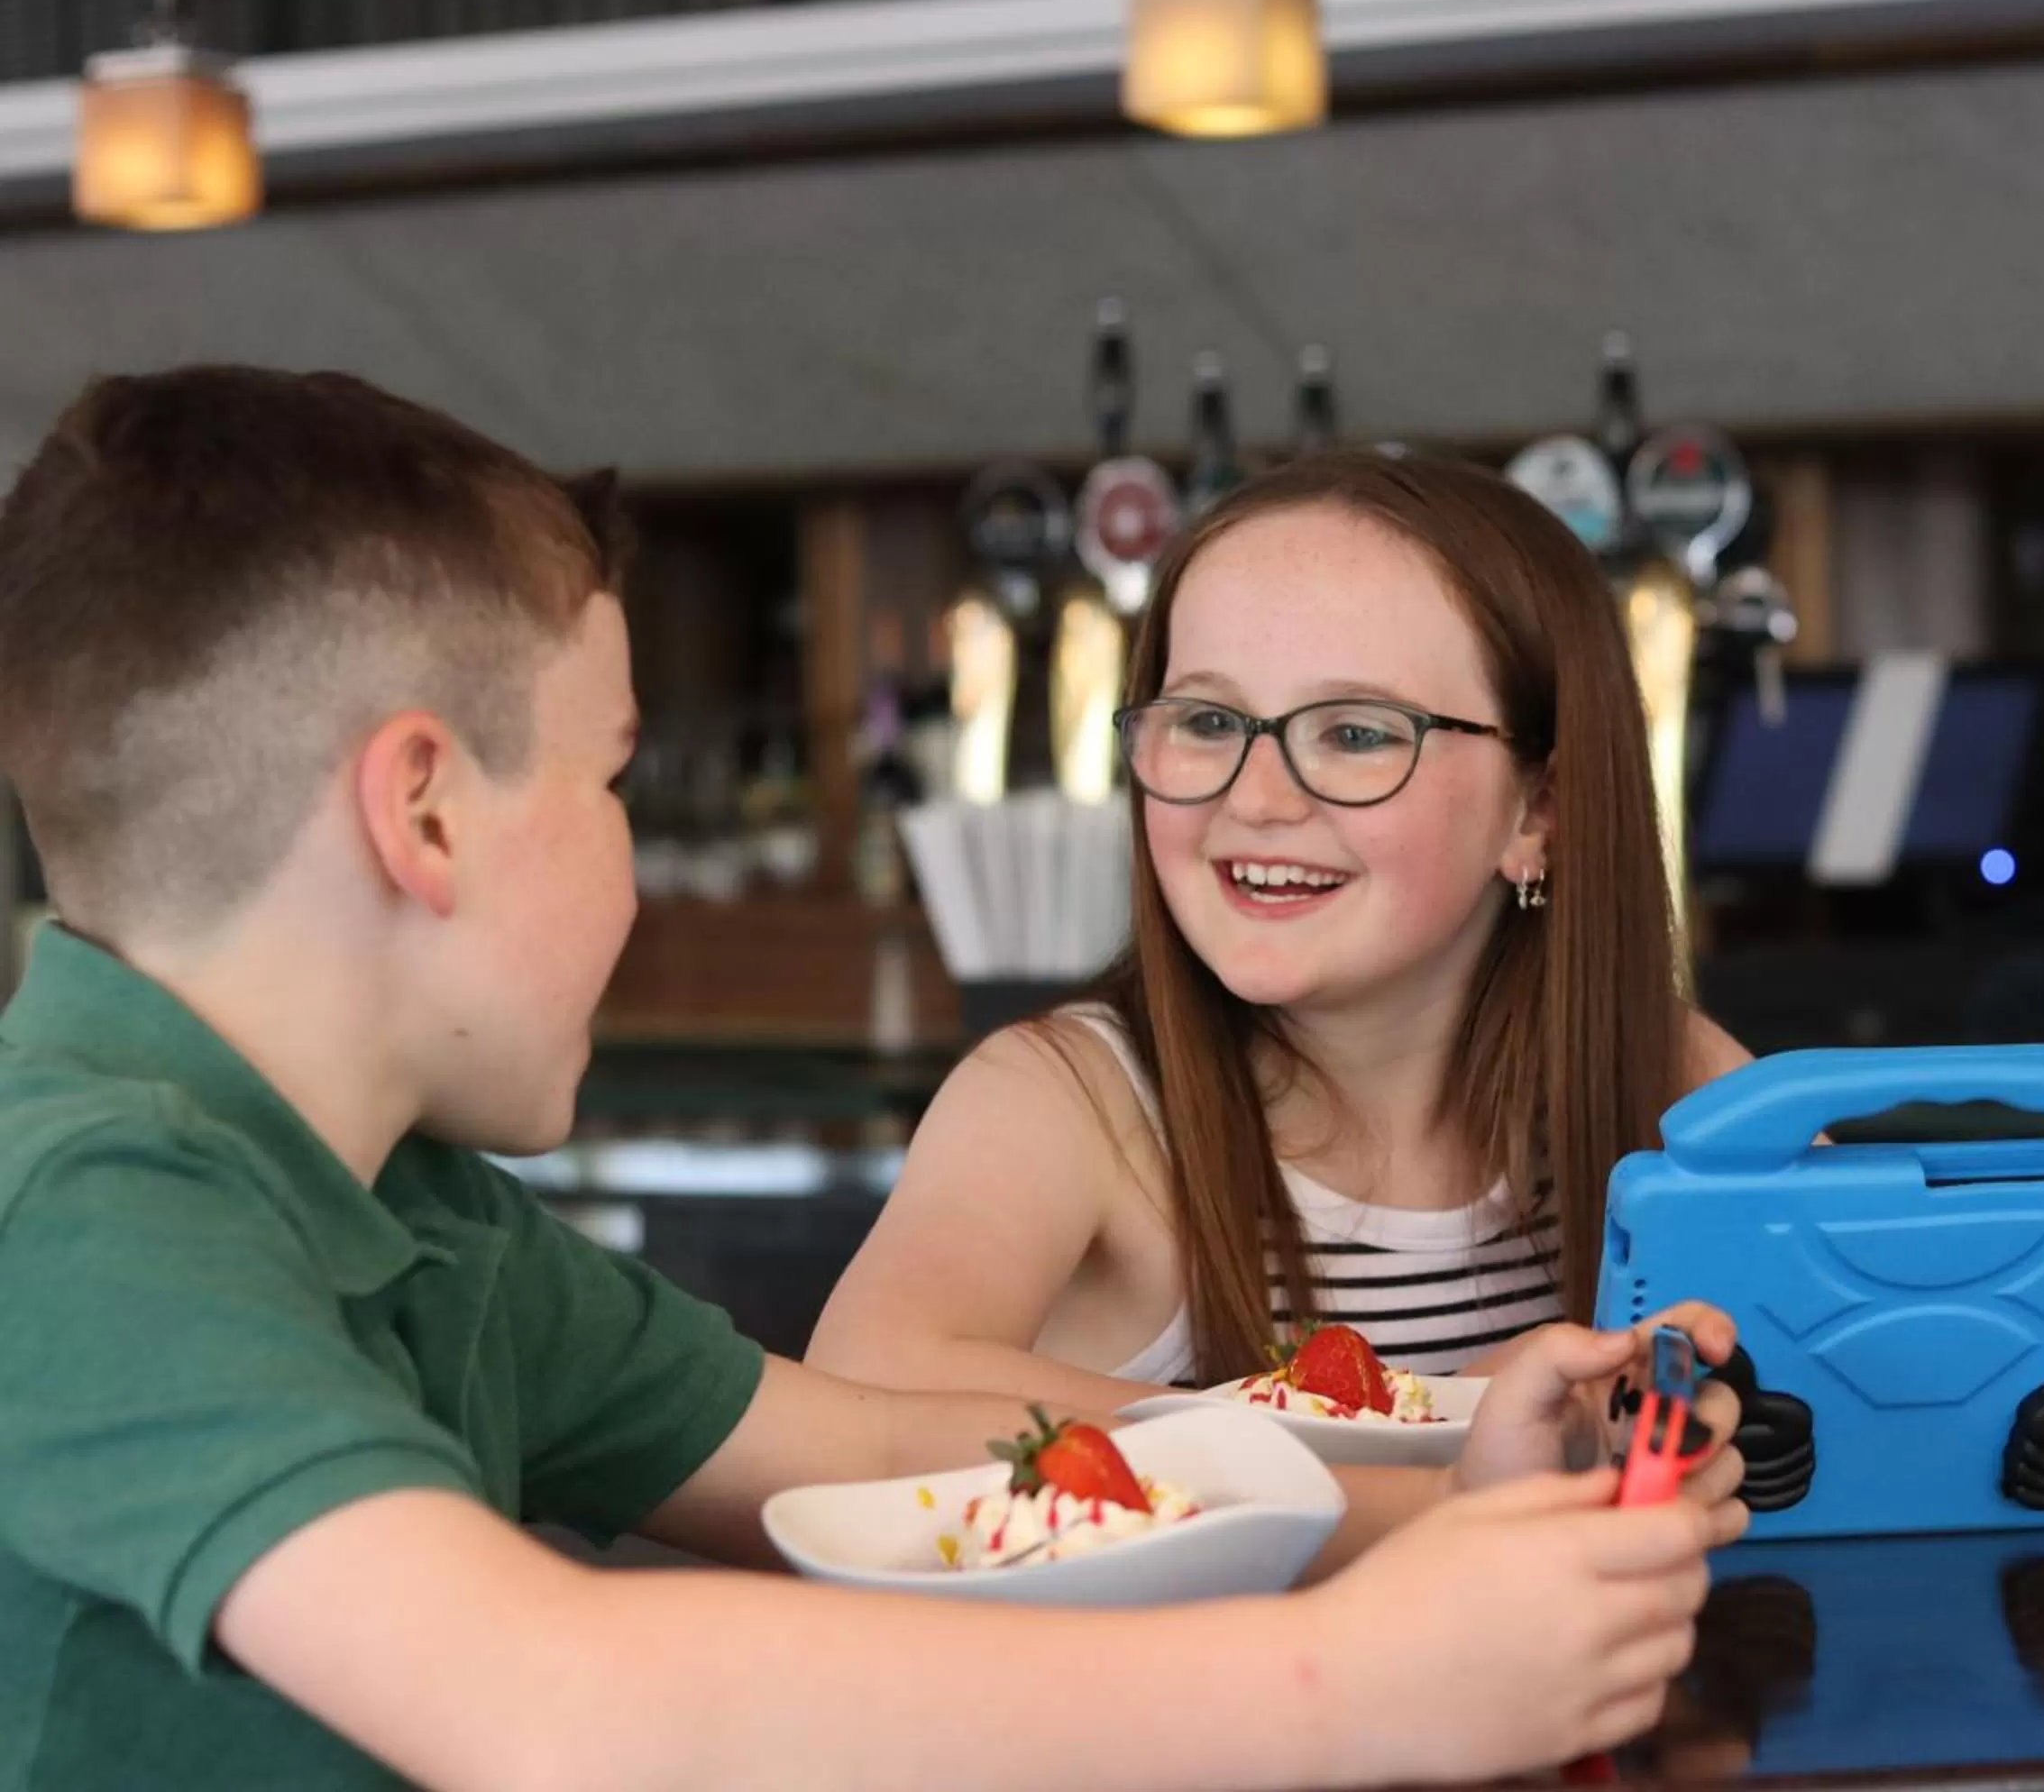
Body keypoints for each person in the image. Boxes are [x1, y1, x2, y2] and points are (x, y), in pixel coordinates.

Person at [0, 367, 1746, 1792]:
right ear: (426, 813)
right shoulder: (78, 1203)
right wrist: (1351, 1678)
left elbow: (863, 1441)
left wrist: (1447, 1509)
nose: (635, 869)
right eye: (613, 783)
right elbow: (554, 1706)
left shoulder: (418, 1210)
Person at [809, 452, 2044, 1455]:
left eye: (1354, 733)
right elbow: (864, 1387)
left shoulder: (1666, 1079)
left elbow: (1910, 1363)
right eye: (1205, 721)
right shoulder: (1070, 1104)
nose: (1255, 795)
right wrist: (1437, 1445)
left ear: (1541, 811)